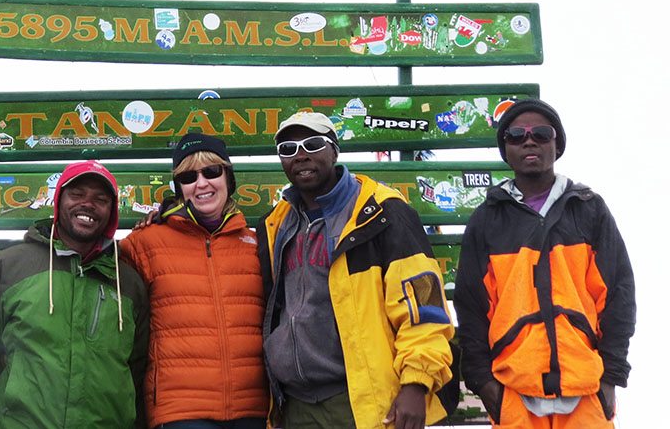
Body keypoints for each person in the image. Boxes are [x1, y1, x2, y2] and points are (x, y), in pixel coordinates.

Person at [257, 111, 456, 429]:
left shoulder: (383, 212)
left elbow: (425, 307)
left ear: (334, 150)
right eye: (288, 149)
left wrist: (417, 383)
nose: (301, 155)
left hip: (363, 402)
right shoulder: (276, 224)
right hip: (295, 406)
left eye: (312, 143)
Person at [454, 99, 635, 428]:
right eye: (515, 135)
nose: (529, 140)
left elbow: (619, 295)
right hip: (512, 392)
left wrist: (611, 375)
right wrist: (484, 384)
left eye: (541, 132)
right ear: (505, 148)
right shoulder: (485, 220)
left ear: (557, 144)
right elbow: (471, 307)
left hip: (586, 390)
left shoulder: (589, 209)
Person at [0, 160, 149, 428]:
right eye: (76, 194)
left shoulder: (129, 283)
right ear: (58, 201)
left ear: (111, 212)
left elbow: (138, 372)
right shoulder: (11, 266)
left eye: (100, 199)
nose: (87, 204)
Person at [119, 133, 269, 429]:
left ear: (228, 178)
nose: (201, 184)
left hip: (253, 408)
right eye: (189, 176)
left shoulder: (257, 244)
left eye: (212, 171)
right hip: (180, 412)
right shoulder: (144, 243)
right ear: (179, 188)